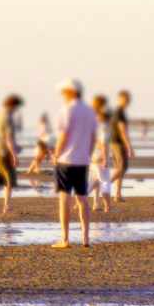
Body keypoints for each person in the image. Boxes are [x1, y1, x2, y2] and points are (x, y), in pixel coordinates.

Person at [51, 79, 97, 249]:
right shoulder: (89, 111)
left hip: (66, 160)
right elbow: (93, 137)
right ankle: (85, 239)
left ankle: (65, 239)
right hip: (82, 160)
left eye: (63, 92)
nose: (62, 96)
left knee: (64, 199)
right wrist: (88, 154)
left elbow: (63, 136)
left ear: (70, 92)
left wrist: (56, 153)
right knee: (83, 199)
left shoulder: (67, 110)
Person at [0, 94, 23, 214]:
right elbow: (8, 137)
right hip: (3, 152)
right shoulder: (7, 117)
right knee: (9, 180)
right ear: (13, 105)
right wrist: (14, 154)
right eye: (17, 107)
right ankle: (6, 206)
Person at [109, 90, 135, 203]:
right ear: (120, 99)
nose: (127, 102)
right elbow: (122, 130)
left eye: (128, 100)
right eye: (126, 100)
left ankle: (117, 195)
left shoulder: (119, 111)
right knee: (122, 168)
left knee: (118, 168)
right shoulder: (119, 112)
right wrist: (129, 146)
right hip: (118, 143)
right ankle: (104, 185)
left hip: (114, 142)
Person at [89, 95, 112, 213]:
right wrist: (105, 158)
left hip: (92, 156)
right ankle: (107, 206)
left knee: (94, 181)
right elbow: (103, 143)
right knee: (105, 182)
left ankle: (93, 203)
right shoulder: (104, 126)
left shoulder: (93, 122)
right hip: (99, 157)